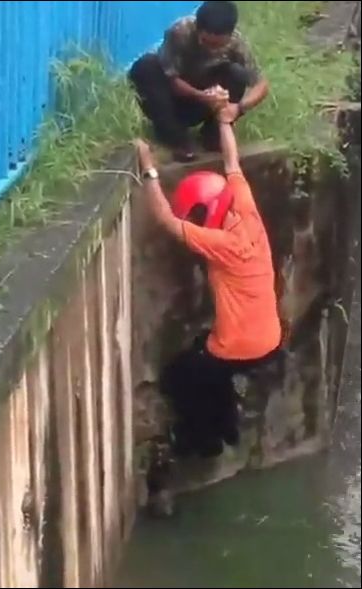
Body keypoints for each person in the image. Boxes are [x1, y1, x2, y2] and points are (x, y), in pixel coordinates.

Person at [134, 116, 282, 458]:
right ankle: (229, 426)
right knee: (208, 361)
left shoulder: (221, 243)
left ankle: (202, 442)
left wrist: (148, 166)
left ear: (208, 213)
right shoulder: (245, 209)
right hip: (271, 339)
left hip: (237, 348)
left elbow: (166, 220)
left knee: (178, 379)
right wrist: (223, 119)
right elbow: (232, 162)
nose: (195, 223)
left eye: (197, 217)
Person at [129, 1, 269, 162]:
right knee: (146, 66)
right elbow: (173, 80)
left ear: (230, 36)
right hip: (172, 99)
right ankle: (175, 138)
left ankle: (214, 134)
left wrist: (239, 108)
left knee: (236, 73)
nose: (210, 49)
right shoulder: (179, 32)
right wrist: (202, 96)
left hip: (204, 99)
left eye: (217, 45)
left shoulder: (237, 44)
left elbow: (261, 85)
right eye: (206, 41)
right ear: (197, 28)